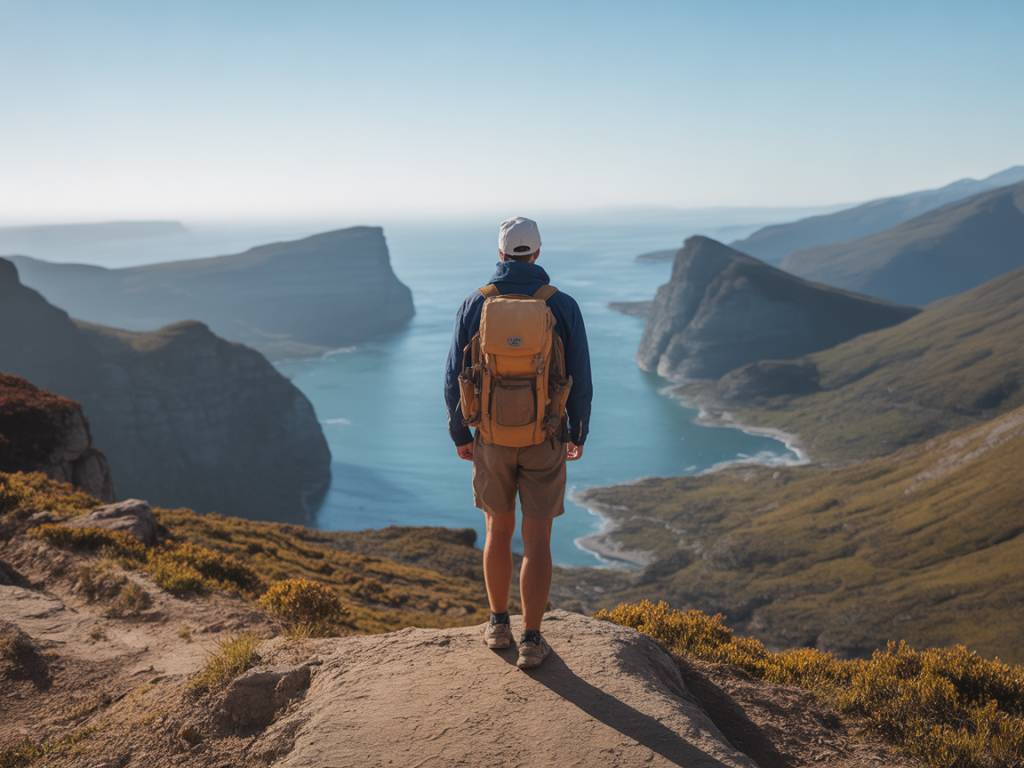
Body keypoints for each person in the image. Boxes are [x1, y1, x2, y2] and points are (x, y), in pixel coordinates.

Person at [444, 216, 592, 670]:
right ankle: (532, 638)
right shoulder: (560, 304)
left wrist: (460, 434)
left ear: (501, 254)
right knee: (538, 539)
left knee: (497, 530)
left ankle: (497, 624)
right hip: (545, 437)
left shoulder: (476, 302)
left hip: (489, 437)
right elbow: (581, 377)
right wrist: (577, 431)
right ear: (538, 254)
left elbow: (453, 376)